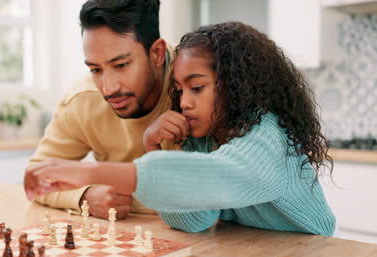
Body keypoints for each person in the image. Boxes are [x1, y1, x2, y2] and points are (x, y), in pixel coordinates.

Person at [25, 22, 336, 236]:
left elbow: (222, 176)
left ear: (237, 86)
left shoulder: (268, 133)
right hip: (255, 248)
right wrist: (153, 149)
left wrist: (90, 173)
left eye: (197, 88)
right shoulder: (202, 139)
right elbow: (193, 221)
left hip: (312, 249)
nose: (184, 102)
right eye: (179, 89)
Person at [24, 0, 177, 219]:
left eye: (121, 65)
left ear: (157, 53)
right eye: (95, 69)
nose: (108, 88)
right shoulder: (82, 100)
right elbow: (37, 177)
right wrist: (85, 197)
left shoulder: (198, 81)